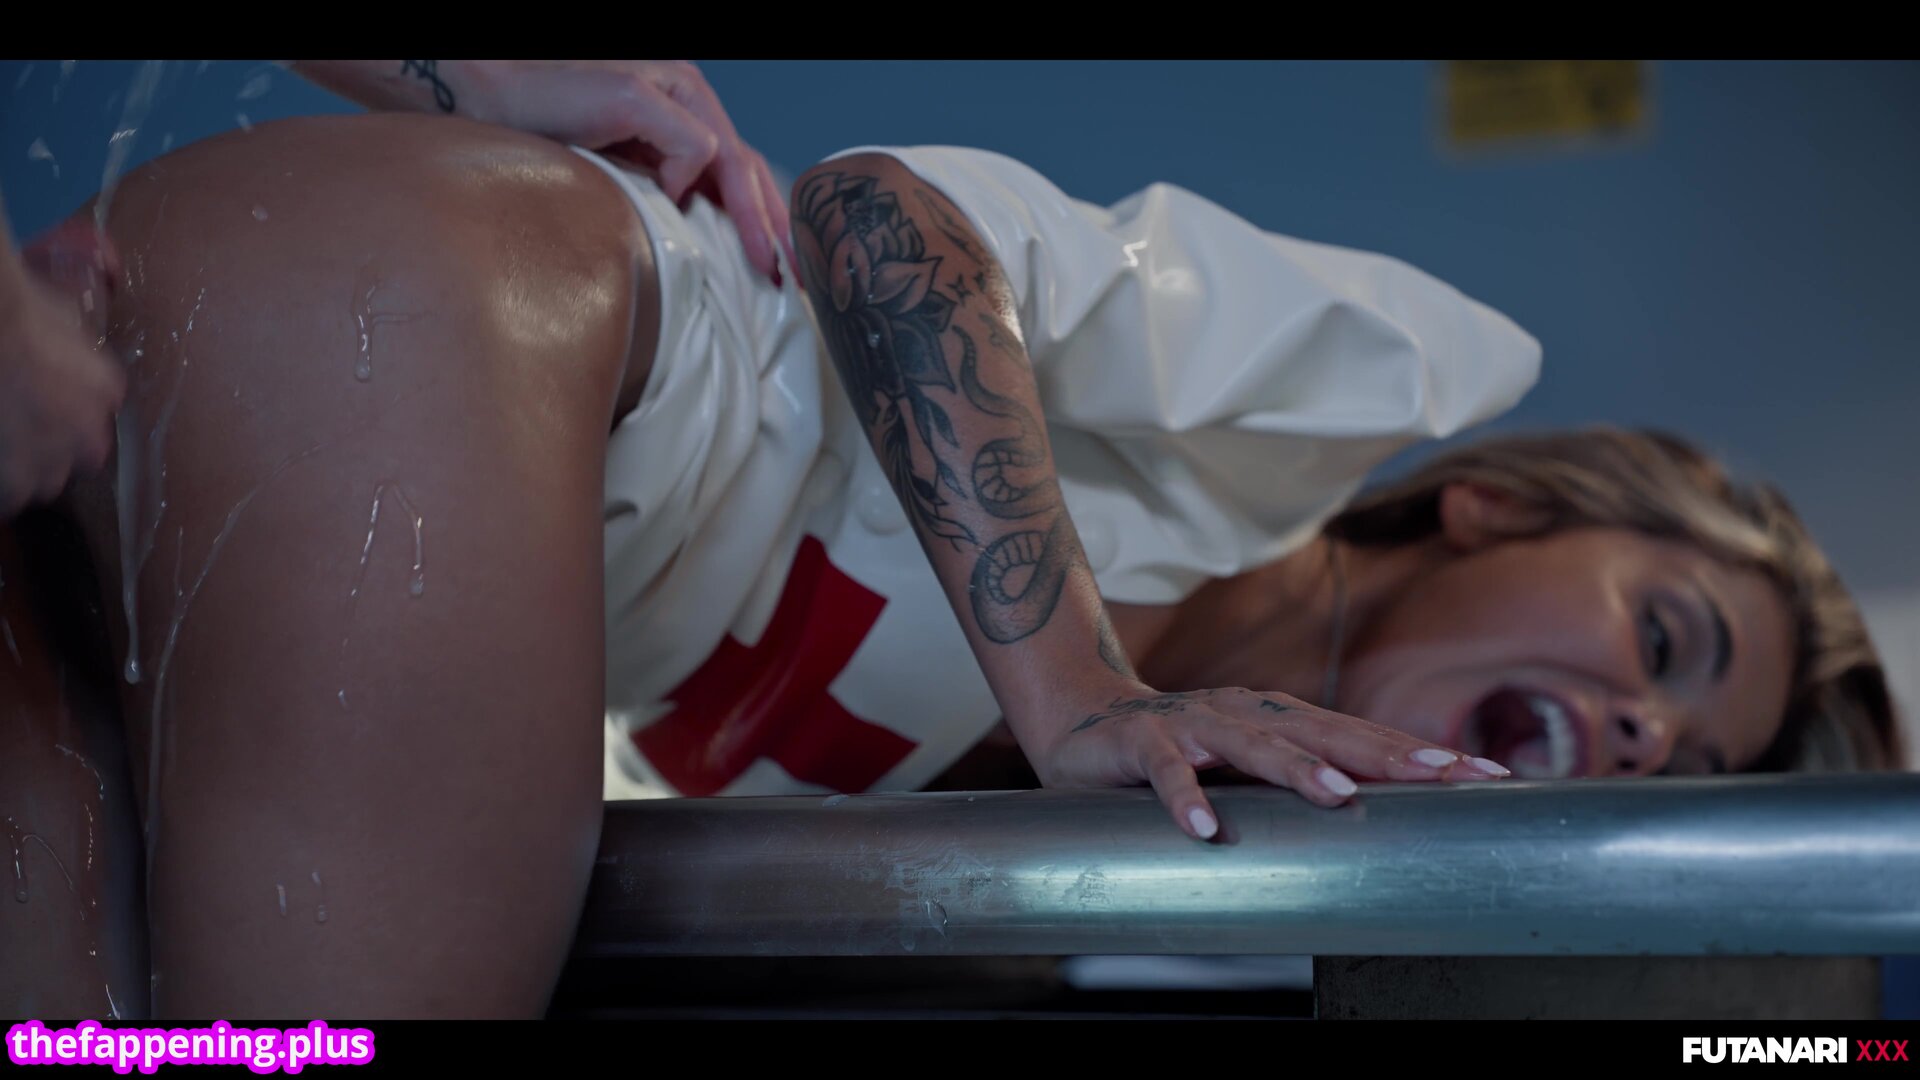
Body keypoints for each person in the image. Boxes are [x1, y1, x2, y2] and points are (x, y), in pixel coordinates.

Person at [0, 61, 1896, 1020]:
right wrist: (1081, 686)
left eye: (1684, 760)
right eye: (1666, 641)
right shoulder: (1325, 395)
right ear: (1502, 511)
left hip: (219, 398)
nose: (1645, 732)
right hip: (436, 319)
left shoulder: (1165, 854)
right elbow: (877, 217)